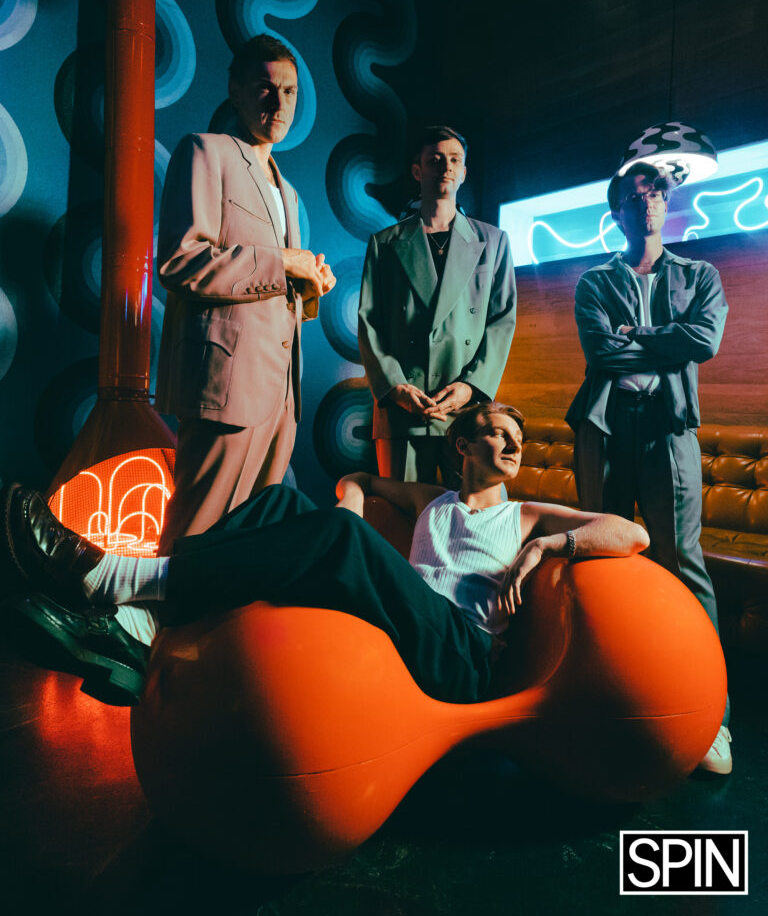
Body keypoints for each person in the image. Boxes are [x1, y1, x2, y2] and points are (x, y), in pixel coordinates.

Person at [0, 402, 648, 713]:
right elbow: (355, 480)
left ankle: (109, 577)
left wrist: (548, 545)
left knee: (341, 537)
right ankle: (146, 631)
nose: (510, 445)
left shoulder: (526, 513)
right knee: (278, 501)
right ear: (461, 447)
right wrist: (353, 507)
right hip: (403, 630)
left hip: (460, 656)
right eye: (496, 433)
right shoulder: (432, 499)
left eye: (516, 439)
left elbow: (629, 533)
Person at [565, 160, 732, 774]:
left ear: (667, 203)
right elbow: (601, 352)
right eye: (636, 195)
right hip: (605, 427)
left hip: (669, 426)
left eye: (657, 192)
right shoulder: (594, 280)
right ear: (618, 212)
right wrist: (667, 339)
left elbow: (704, 342)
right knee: (601, 559)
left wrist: (639, 332)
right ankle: (603, 696)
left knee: (682, 561)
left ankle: (713, 715)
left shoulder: (699, 274)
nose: (650, 201)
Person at [155, 34, 335, 552]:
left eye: (289, 91)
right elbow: (180, 262)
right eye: (264, 87)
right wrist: (283, 263)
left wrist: (309, 283)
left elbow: (272, 291)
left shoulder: (288, 190)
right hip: (226, 383)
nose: (279, 102)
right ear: (235, 91)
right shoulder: (204, 151)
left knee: (247, 545)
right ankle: (153, 608)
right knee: (193, 535)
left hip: (281, 395)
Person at [358, 126, 516, 486]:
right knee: (403, 516)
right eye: (435, 160)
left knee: (471, 515)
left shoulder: (494, 241)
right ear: (417, 171)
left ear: (464, 172)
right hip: (403, 406)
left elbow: (501, 321)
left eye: (455, 160)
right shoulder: (385, 243)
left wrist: (471, 386)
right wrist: (395, 386)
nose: (446, 167)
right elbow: (369, 321)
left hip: (467, 408)